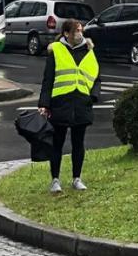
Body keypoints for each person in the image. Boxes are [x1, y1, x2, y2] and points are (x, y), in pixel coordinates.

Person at [38, 19, 101, 194]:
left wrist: (93, 96)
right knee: (57, 143)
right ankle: (55, 180)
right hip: (60, 103)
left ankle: (77, 178)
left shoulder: (88, 51)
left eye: (81, 30)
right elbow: (48, 79)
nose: (80, 33)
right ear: (67, 33)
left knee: (78, 143)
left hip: (82, 103)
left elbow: (96, 76)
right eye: (77, 31)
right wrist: (44, 103)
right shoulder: (56, 50)